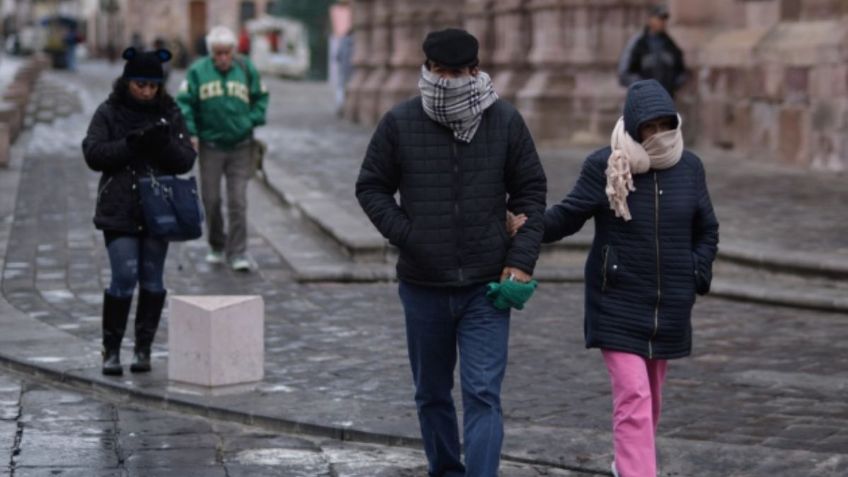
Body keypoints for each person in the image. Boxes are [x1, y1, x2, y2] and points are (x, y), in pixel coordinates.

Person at [355, 28, 547, 477]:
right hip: (423, 285)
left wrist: (520, 261)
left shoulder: (505, 121)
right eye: (439, 72)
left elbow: (531, 193)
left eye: (457, 73)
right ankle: (445, 470)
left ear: (475, 71)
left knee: (483, 392)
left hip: (486, 287)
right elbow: (371, 186)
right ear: (426, 69)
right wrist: (408, 233)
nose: (448, 82)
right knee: (432, 393)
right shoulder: (400, 122)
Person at [511, 79, 719, 477]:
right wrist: (525, 227)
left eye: (664, 125)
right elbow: (568, 216)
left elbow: (706, 228)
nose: (657, 135)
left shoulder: (689, 167)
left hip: (669, 305)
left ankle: (628, 460)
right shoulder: (605, 165)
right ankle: (636, 471)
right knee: (634, 395)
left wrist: (696, 271)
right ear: (634, 125)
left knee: (651, 400)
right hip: (617, 301)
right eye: (649, 127)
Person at [82, 47, 197, 376]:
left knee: (152, 279)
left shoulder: (169, 111)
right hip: (119, 206)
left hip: (158, 208)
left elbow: (186, 159)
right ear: (128, 81)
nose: (147, 91)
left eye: (152, 85)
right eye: (140, 84)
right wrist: (130, 144)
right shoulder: (109, 111)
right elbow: (93, 153)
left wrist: (161, 144)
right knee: (124, 276)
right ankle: (112, 349)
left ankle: (143, 348)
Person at [176, 25, 269, 272]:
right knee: (212, 199)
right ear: (211, 53)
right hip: (211, 146)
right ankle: (217, 244)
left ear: (233, 51)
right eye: (218, 53)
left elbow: (261, 97)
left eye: (227, 52)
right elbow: (184, 103)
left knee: (238, 200)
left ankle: (238, 252)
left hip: (241, 146)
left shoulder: (246, 68)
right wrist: (192, 132)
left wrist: (250, 121)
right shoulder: (198, 71)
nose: (223, 58)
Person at [617, 4, 687, 97]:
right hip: (644, 101)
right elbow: (624, 73)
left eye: (664, 19)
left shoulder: (670, 45)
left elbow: (681, 71)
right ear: (650, 19)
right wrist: (643, 87)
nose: (662, 22)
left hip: (666, 100)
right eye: (659, 18)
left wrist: (672, 85)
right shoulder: (638, 43)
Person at [329, 0, 353, 114]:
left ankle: (344, 103)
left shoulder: (352, 9)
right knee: (342, 78)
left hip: (347, 40)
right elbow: (339, 29)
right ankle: (341, 103)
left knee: (345, 77)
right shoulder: (336, 10)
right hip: (342, 40)